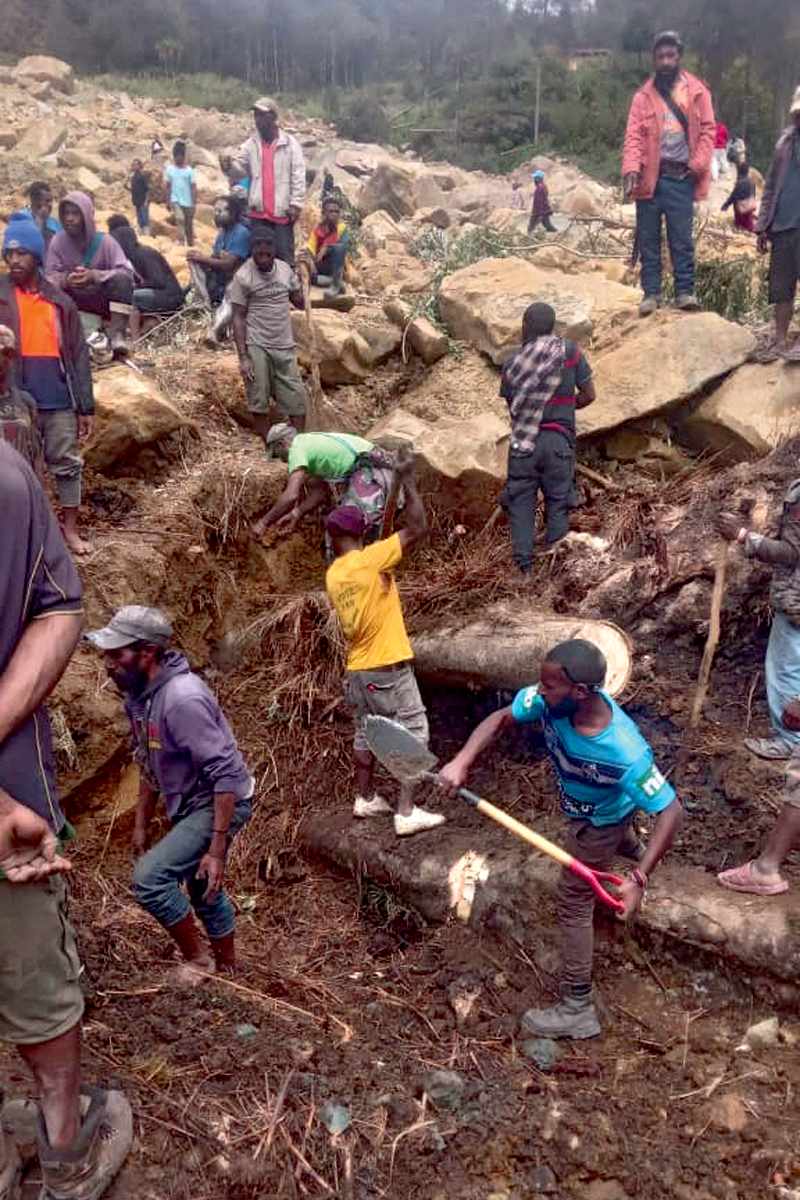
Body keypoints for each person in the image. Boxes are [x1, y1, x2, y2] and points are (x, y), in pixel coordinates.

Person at [0, 441, 133, 1198]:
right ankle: (64, 1145)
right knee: (33, 973)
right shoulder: (13, 479)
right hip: (9, 801)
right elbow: (56, 606)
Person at [438, 638, 682, 1038]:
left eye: (549, 686)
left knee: (573, 897)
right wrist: (462, 760)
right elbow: (501, 717)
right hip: (584, 806)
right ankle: (629, 844)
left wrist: (638, 880)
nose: (539, 692)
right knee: (607, 828)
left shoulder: (624, 751)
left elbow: (671, 811)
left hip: (601, 819)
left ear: (582, 693)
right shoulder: (550, 700)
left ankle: (577, 1006)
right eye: (542, 684)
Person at [85, 606, 253, 982]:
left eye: (117, 654)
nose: (108, 665)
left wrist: (215, 849)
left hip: (221, 800)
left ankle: (200, 961)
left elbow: (226, 774)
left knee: (150, 879)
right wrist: (141, 824)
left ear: (147, 653)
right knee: (199, 884)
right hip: (193, 802)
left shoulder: (181, 699)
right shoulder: (142, 696)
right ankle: (230, 967)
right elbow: (148, 761)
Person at [325, 457, 444, 836]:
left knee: (366, 730)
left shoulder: (335, 573)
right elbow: (419, 526)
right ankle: (406, 811)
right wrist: (408, 481)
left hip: (357, 669)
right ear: (365, 530)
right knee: (413, 730)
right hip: (386, 666)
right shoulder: (373, 560)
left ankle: (365, 797)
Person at [2, 212, 95, 555]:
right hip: (12, 398)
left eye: (21, 253)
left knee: (67, 464)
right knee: (16, 469)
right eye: (9, 253)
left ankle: (68, 531)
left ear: (37, 255)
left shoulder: (60, 301)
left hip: (57, 397)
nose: (14, 260)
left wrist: (86, 406)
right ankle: (24, 537)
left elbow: (78, 355)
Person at [622, 31, 715, 317]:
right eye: (660, 56)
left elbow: (709, 131)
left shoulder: (697, 91)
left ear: (679, 56)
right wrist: (630, 168)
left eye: (670, 56)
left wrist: (697, 165)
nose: (665, 61)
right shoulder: (642, 97)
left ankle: (684, 292)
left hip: (682, 176)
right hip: (651, 176)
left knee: (681, 239)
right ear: (654, 59)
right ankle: (651, 293)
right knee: (648, 238)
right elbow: (633, 136)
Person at [499, 302, 595, 572]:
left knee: (521, 506)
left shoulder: (512, 363)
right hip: (558, 444)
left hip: (523, 445)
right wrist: (564, 407)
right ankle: (555, 572)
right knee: (558, 504)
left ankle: (524, 572)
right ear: (553, 326)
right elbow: (590, 395)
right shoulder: (570, 352)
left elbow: (514, 408)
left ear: (525, 327)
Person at [253, 425, 397, 544]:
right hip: (369, 465)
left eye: (277, 454)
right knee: (338, 525)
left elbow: (291, 495)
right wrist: (297, 513)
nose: (282, 461)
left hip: (370, 470)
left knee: (348, 528)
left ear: (282, 443)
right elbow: (322, 490)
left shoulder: (297, 448)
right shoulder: (308, 442)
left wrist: (264, 523)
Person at [230, 229, 307, 445]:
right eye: (258, 245)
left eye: (268, 245)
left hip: (284, 343)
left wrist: (304, 277)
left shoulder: (284, 270)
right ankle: (269, 443)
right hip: (257, 344)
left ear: (274, 248)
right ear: (251, 249)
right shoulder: (243, 276)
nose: (263, 250)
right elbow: (238, 317)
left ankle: (299, 443)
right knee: (258, 394)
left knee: (296, 395)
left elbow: (299, 301)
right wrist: (243, 357)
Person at [44, 191, 135, 359]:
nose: (69, 218)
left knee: (122, 281)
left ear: (86, 215)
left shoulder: (106, 242)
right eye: (66, 214)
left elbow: (127, 272)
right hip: (74, 299)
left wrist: (94, 276)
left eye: (75, 213)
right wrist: (66, 280)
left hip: (102, 299)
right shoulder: (58, 242)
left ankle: (117, 335)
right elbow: (49, 277)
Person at [220, 98, 306, 265]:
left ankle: (287, 289)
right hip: (258, 213)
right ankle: (262, 290)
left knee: (284, 258)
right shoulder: (251, 144)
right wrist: (228, 166)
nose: (257, 119)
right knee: (259, 258)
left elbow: (298, 175)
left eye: (262, 115)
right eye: (256, 115)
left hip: (281, 213)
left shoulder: (290, 144)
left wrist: (296, 204)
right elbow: (240, 170)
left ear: (273, 117)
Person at [755, 87, 800, 361]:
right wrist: (762, 225)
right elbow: (770, 185)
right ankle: (780, 341)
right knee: (781, 287)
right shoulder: (784, 144)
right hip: (783, 225)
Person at [187, 194, 251, 346]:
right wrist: (200, 258)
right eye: (215, 211)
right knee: (194, 261)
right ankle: (203, 301)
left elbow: (229, 264)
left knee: (232, 292)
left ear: (233, 213)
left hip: (239, 280)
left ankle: (213, 331)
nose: (216, 214)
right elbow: (216, 258)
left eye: (220, 211)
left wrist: (204, 258)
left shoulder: (241, 233)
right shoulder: (222, 234)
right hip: (221, 277)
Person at [107, 218, 183, 340]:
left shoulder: (145, 254)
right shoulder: (131, 258)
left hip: (170, 296)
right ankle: (145, 326)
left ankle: (136, 340)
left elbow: (159, 282)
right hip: (158, 296)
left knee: (130, 297)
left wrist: (135, 288)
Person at [0, 324, 42, 471]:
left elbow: (36, 455)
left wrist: (40, 491)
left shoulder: (27, 402)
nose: (2, 359)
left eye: (7, 353)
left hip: (22, 488)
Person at [305, 196, 350, 298]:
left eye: (337, 212)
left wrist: (326, 248)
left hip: (336, 265)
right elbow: (310, 248)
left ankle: (335, 286)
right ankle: (337, 283)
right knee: (303, 269)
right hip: (321, 264)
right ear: (324, 214)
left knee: (339, 248)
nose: (334, 214)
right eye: (331, 211)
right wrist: (310, 261)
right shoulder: (318, 230)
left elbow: (343, 247)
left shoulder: (342, 228)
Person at [164, 141, 197, 248]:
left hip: (188, 201)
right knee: (180, 219)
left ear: (183, 156)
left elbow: (193, 187)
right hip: (175, 200)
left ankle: (191, 244)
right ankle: (181, 242)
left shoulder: (190, 171)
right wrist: (167, 201)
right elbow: (168, 186)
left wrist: (194, 203)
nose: (178, 158)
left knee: (189, 225)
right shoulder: (169, 169)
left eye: (180, 156)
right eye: (176, 156)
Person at [23, 182, 62, 250]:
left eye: (51, 201)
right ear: (34, 201)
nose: (50, 204)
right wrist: (40, 220)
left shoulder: (55, 223)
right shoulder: (22, 218)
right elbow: (30, 244)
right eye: (47, 201)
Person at [721, 161, 757, 233]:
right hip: (750, 205)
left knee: (740, 224)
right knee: (748, 221)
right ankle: (751, 230)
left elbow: (733, 196)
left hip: (741, 208)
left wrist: (725, 205)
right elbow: (753, 194)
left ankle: (745, 232)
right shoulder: (752, 181)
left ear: (738, 171)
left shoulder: (740, 183)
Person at [128, 158, 151, 235]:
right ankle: (141, 233)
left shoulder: (143, 175)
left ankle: (146, 234)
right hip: (136, 200)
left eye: (135, 165)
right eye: (132, 165)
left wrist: (146, 200)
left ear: (139, 166)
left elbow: (147, 189)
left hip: (143, 200)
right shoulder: (133, 177)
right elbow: (133, 189)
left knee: (144, 218)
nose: (133, 166)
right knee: (139, 218)